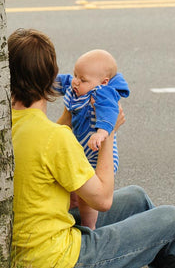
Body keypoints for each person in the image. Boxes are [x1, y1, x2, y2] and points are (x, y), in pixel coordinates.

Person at [8, 28, 175, 268]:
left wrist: (70, 111)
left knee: (137, 199)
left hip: (30, 242)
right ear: (51, 77)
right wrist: (109, 132)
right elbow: (103, 200)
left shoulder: (5, 127)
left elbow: (45, 152)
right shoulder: (54, 138)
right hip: (57, 257)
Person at [55, 49, 130, 229]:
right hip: (83, 150)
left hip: (98, 154)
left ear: (102, 82)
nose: (75, 81)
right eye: (75, 75)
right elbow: (60, 82)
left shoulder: (103, 93)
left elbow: (110, 112)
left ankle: (90, 227)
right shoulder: (79, 88)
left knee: (86, 197)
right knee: (74, 188)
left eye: (82, 79)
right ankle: (75, 212)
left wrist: (102, 133)